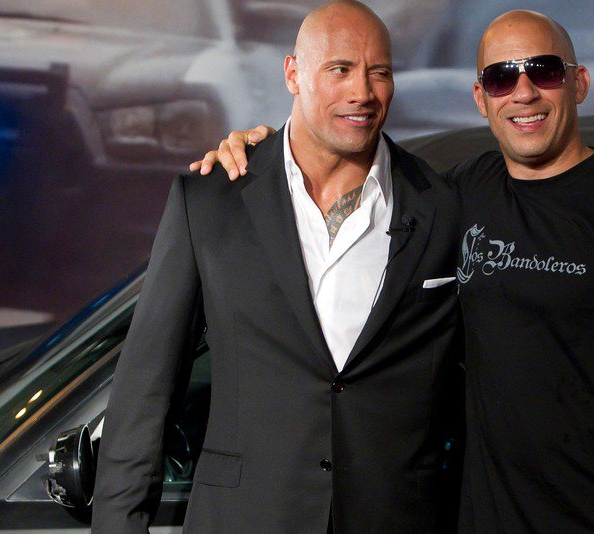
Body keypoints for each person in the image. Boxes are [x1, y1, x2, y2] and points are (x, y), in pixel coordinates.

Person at [196, 8, 594, 533]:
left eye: (544, 71)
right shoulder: (458, 195)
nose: (524, 92)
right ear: (481, 98)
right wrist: (266, 152)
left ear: (578, 83)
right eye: (501, 78)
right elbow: (342, 169)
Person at [92, 2, 464, 533]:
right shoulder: (212, 198)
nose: (362, 92)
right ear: (293, 73)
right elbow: (145, 390)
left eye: (379, 72)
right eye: (340, 69)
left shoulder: (441, 204)